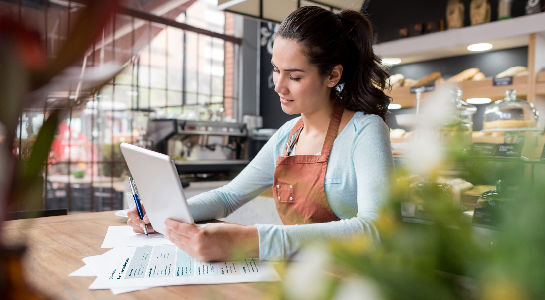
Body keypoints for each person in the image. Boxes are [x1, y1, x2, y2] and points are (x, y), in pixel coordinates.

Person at [127, 6, 393, 261]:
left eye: (295, 77)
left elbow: (376, 230)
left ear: (333, 75)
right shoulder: (287, 136)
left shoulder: (365, 131)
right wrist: (164, 215)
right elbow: (228, 196)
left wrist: (248, 240)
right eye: (276, 70)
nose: (279, 86)